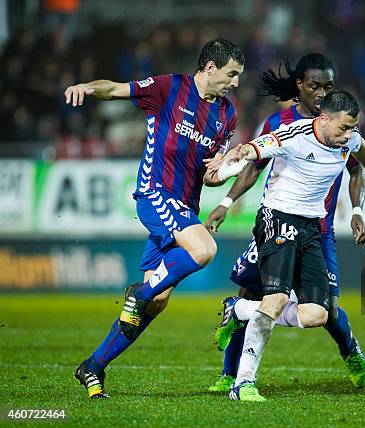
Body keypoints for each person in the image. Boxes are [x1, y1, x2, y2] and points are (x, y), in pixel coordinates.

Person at [65, 38, 245, 398]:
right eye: (232, 74)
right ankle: (139, 293)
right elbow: (114, 89)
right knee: (204, 249)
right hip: (155, 193)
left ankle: (93, 365)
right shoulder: (169, 88)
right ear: (210, 68)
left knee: (158, 301)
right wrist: (88, 87)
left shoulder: (227, 115)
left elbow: (209, 175)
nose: (236, 82)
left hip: (184, 207)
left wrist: (226, 168)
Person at [204, 54, 365, 394]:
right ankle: (230, 374)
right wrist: (226, 202)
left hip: (318, 229)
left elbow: (357, 167)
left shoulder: (343, 127)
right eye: (315, 86)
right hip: (278, 221)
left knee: (328, 309)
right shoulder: (280, 124)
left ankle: (350, 351)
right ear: (299, 85)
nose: (322, 93)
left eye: (328, 86)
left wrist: (357, 210)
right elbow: (253, 164)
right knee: (253, 293)